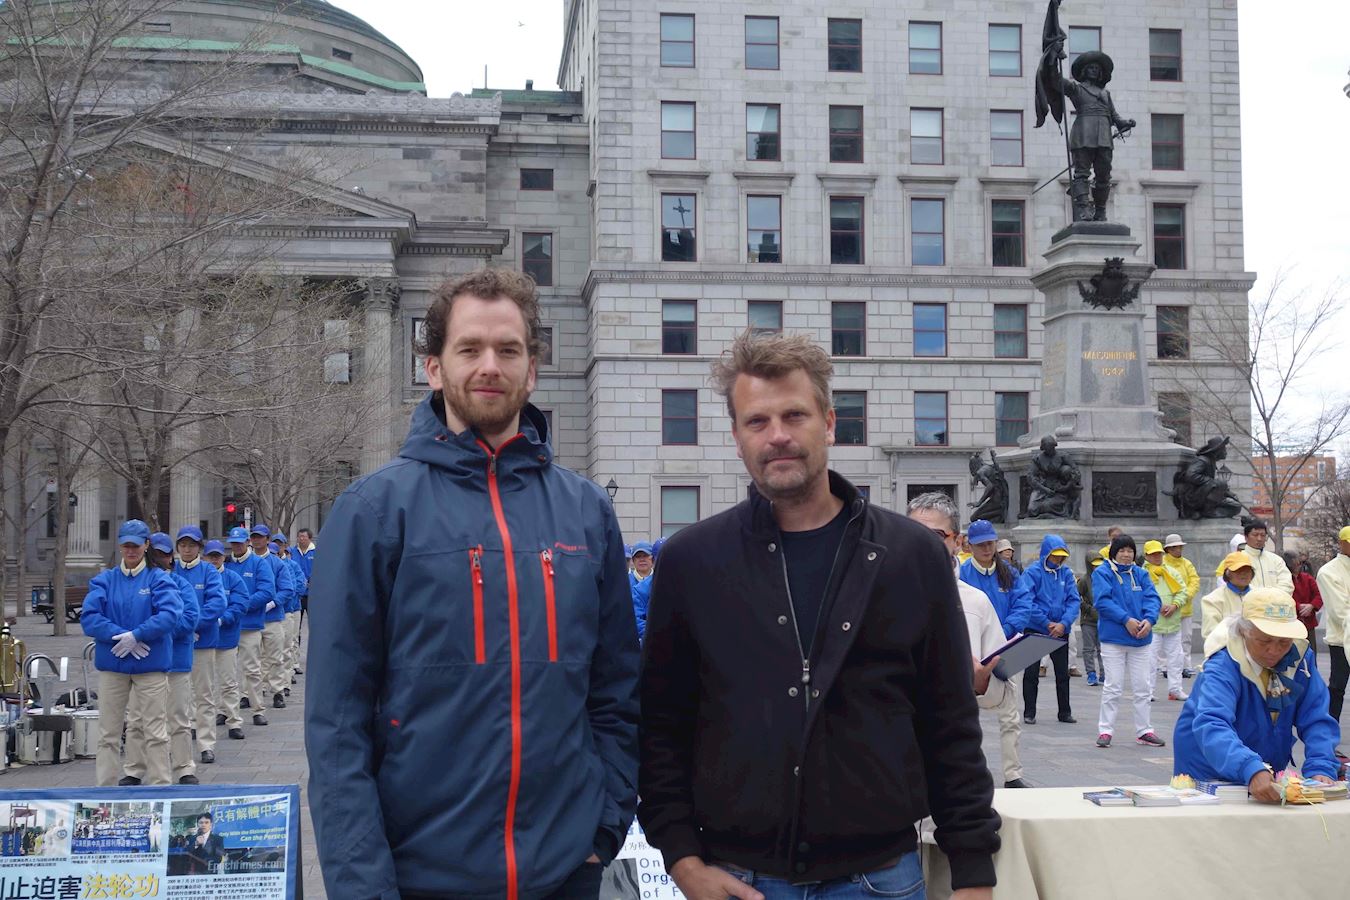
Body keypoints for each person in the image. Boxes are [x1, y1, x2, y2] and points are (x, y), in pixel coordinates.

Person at [307, 267, 640, 900]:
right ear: (434, 368)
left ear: (532, 369)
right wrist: (362, 886)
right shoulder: (373, 511)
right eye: (470, 349)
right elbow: (336, 725)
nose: (490, 365)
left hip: (565, 872)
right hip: (421, 877)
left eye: (508, 350)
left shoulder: (586, 511)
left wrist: (604, 827)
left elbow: (615, 689)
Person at [639, 332, 999, 900]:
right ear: (736, 437)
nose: (777, 435)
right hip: (738, 877)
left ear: (829, 423)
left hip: (879, 878)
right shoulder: (692, 561)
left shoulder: (911, 555)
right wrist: (681, 859)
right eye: (757, 421)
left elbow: (949, 720)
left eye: (794, 415)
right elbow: (661, 724)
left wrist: (973, 873)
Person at [1172, 588, 1341, 799]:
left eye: (1284, 642)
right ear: (1244, 632)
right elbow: (1212, 722)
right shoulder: (1223, 664)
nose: (1274, 650)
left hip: (1263, 767)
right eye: (1264, 641)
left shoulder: (1300, 659)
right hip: (1208, 765)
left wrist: (1321, 765)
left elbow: (1316, 717)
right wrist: (1249, 766)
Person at [79, 519, 182, 786]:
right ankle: (105, 790)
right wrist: (120, 635)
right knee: (108, 734)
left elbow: (170, 614)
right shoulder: (104, 580)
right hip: (113, 666)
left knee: (155, 731)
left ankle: (160, 786)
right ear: (120, 546)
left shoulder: (159, 578)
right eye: (126, 545)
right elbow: (89, 617)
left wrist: (137, 635)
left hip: (151, 665)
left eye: (136, 546)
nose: (131, 551)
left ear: (146, 545)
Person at [941, 511, 1027, 789]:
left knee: (1011, 714)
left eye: (990, 543)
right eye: (981, 545)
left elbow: (1023, 602)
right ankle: (968, 771)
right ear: (969, 545)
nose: (987, 549)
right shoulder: (963, 574)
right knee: (965, 716)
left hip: (1006, 646)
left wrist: (1005, 628)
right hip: (974, 652)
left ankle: (1013, 773)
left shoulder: (1009, 572)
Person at [123, 532, 200, 786]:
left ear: (171, 557)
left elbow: (189, 618)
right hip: (144, 662)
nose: (159, 559)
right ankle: (134, 768)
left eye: (164, 554)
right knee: (137, 718)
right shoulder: (135, 584)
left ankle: (184, 767)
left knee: (178, 717)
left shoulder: (181, 584)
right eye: (154, 554)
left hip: (176, 660)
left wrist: (155, 632)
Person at [1092, 535, 1164, 749]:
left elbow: (1152, 598)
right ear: (1114, 552)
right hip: (1113, 638)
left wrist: (1149, 620)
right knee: (1113, 686)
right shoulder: (1102, 572)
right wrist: (1126, 620)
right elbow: (1102, 601)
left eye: (1130, 550)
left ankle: (1144, 730)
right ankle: (1105, 730)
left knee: (1143, 687)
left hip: (1140, 639)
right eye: (1122, 550)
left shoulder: (1141, 573)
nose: (1126, 554)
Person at [1050, 49, 1135, 221]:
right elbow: (1055, 80)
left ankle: (1100, 210)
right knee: (1082, 173)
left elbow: (1114, 116)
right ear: (1084, 71)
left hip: (1103, 136)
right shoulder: (1076, 89)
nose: (1094, 70)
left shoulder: (1105, 93)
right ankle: (1083, 208)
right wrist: (1053, 59)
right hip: (1083, 134)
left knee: (1104, 174)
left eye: (1097, 68)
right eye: (1091, 67)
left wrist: (1125, 123)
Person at [173, 526, 226, 767]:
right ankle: (177, 745)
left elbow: (217, 603)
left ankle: (206, 744)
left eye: (192, 545)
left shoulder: (208, 571)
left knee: (204, 693)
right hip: (176, 642)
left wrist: (193, 625)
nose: (187, 549)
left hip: (203, 640)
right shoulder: (170, 571)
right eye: (183, 545)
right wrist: (182, 627)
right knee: (176, 698)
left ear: (199, 548)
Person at [1012, 536, 1079, 725]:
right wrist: (1046, 623)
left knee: (1062, 674)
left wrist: (1064, 623)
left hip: (1060, 629)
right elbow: (1027, 600)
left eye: (1061, 556)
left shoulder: (1066, 573)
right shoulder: (1032, 573)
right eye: (1054, 555)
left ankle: (1064, 712)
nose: (1058, 559)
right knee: (1031, 674)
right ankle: (1029, 712)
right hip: (1036, 628)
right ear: (1046, 554)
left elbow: (1074, 600)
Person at [224, 525, 274, 729]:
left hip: (249, 625)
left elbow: (267, 591)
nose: (236, 546)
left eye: (240, 543)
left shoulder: (258, 563)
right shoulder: (226, 564)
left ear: (247, 542)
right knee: (225, 672)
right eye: (233, 543)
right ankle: (225, 710)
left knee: (252, 669)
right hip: (227, 626)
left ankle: (258, 709)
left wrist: (242, 605)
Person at [203, 539, 248, 750]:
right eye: (210, 556)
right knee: (201, 686)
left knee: (229, 681)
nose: (214, 560)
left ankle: (233, 721)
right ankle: (196, 722)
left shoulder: (233, 578)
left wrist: (222, 619)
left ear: (223, 557)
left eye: (217, 556)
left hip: (226, 637)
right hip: (202, 638)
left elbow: (240, 604)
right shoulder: (201, 576)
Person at [249, 528, 293, 710]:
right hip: (250, 619)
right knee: (251, 660)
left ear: (267, 539)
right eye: (254, 537)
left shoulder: (277, 563)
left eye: (260, 537)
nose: (256, 540)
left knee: (275, 658)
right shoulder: (246, 562)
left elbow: (287, 589)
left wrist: (273, 603)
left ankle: (277, 691)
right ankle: (249, 694)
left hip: (272, 618)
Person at [1142, 540, 1187, 702]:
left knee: (1176, 658)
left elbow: (1183, 591)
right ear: (1146, 556)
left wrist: (1175, 605)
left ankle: (1175, 689)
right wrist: (1157, 607)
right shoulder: (1142, 573)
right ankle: (1148, 690)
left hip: (1172, 622)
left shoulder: (1171, 572)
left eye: (1159, 554)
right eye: (1153, 554)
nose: (1157, 557)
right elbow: (1141, 596)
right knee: (1149, 660)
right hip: (1152, 624)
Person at [1315, 526, 1350, 724]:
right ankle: (1329, 730)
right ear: (1341, 543)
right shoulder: (1328, 572)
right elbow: (1340, 611)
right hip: (1340, 639)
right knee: (1337, 687)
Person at [1161, 534, 1201, 677]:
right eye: (1175, 547)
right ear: (1168, 549)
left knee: (1186, 638)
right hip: (1168, 608)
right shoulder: (1162, 563)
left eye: (1179, 547)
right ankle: (1165, 665)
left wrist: (1185, 596)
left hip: (1185, 608)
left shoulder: (1186, 563)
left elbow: (1194, 581)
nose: (1178, 550)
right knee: (1167, 638)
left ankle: (1186, 665)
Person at [1201, 552, 1257, 644]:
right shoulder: (1212, 600)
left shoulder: (1260, 595)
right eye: (1238, 570)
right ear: (1228, 574)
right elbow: (1210, 635)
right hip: (1227, 649)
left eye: (1247, 570)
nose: (1244, 574)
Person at [1075, 549, 1107, 686]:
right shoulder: (1083, 580)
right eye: (1094, 565)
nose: (1097, 567)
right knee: (1088, 648)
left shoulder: (1106, 578)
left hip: (1103, 619)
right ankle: (1091, 673)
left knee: (1103, 649)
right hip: (1088, 620)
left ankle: (1104, 673)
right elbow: (1076, 597)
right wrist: (1088, 608)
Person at [1283, 550, 1322, 656]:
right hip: (1291, 622)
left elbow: (1318, 596)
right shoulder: (1284, 580)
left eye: (1299, 563)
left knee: (1311, 653)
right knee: (1293, 654)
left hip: (1308, 623)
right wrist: (1298, 606)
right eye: (1296, 563)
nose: (1298, 565)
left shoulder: (1307, 578)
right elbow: (1283, 597)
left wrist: (1311, 606)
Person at [1241, 519, 1293, 594]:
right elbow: (1238, 585)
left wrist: (1272, 597)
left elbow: (1287, 585)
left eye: (1262, 535)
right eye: (1255, 535)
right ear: (1246, 537)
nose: (1259, 539)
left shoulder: (1276, 560)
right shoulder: (1237, 559)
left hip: (1276, 600)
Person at [629, 541, 654, 641]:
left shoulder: (661, 580)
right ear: (633, 560)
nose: (642, 559)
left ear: (652, 558)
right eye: (638, 556)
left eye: (645, 555)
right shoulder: (624, 582)